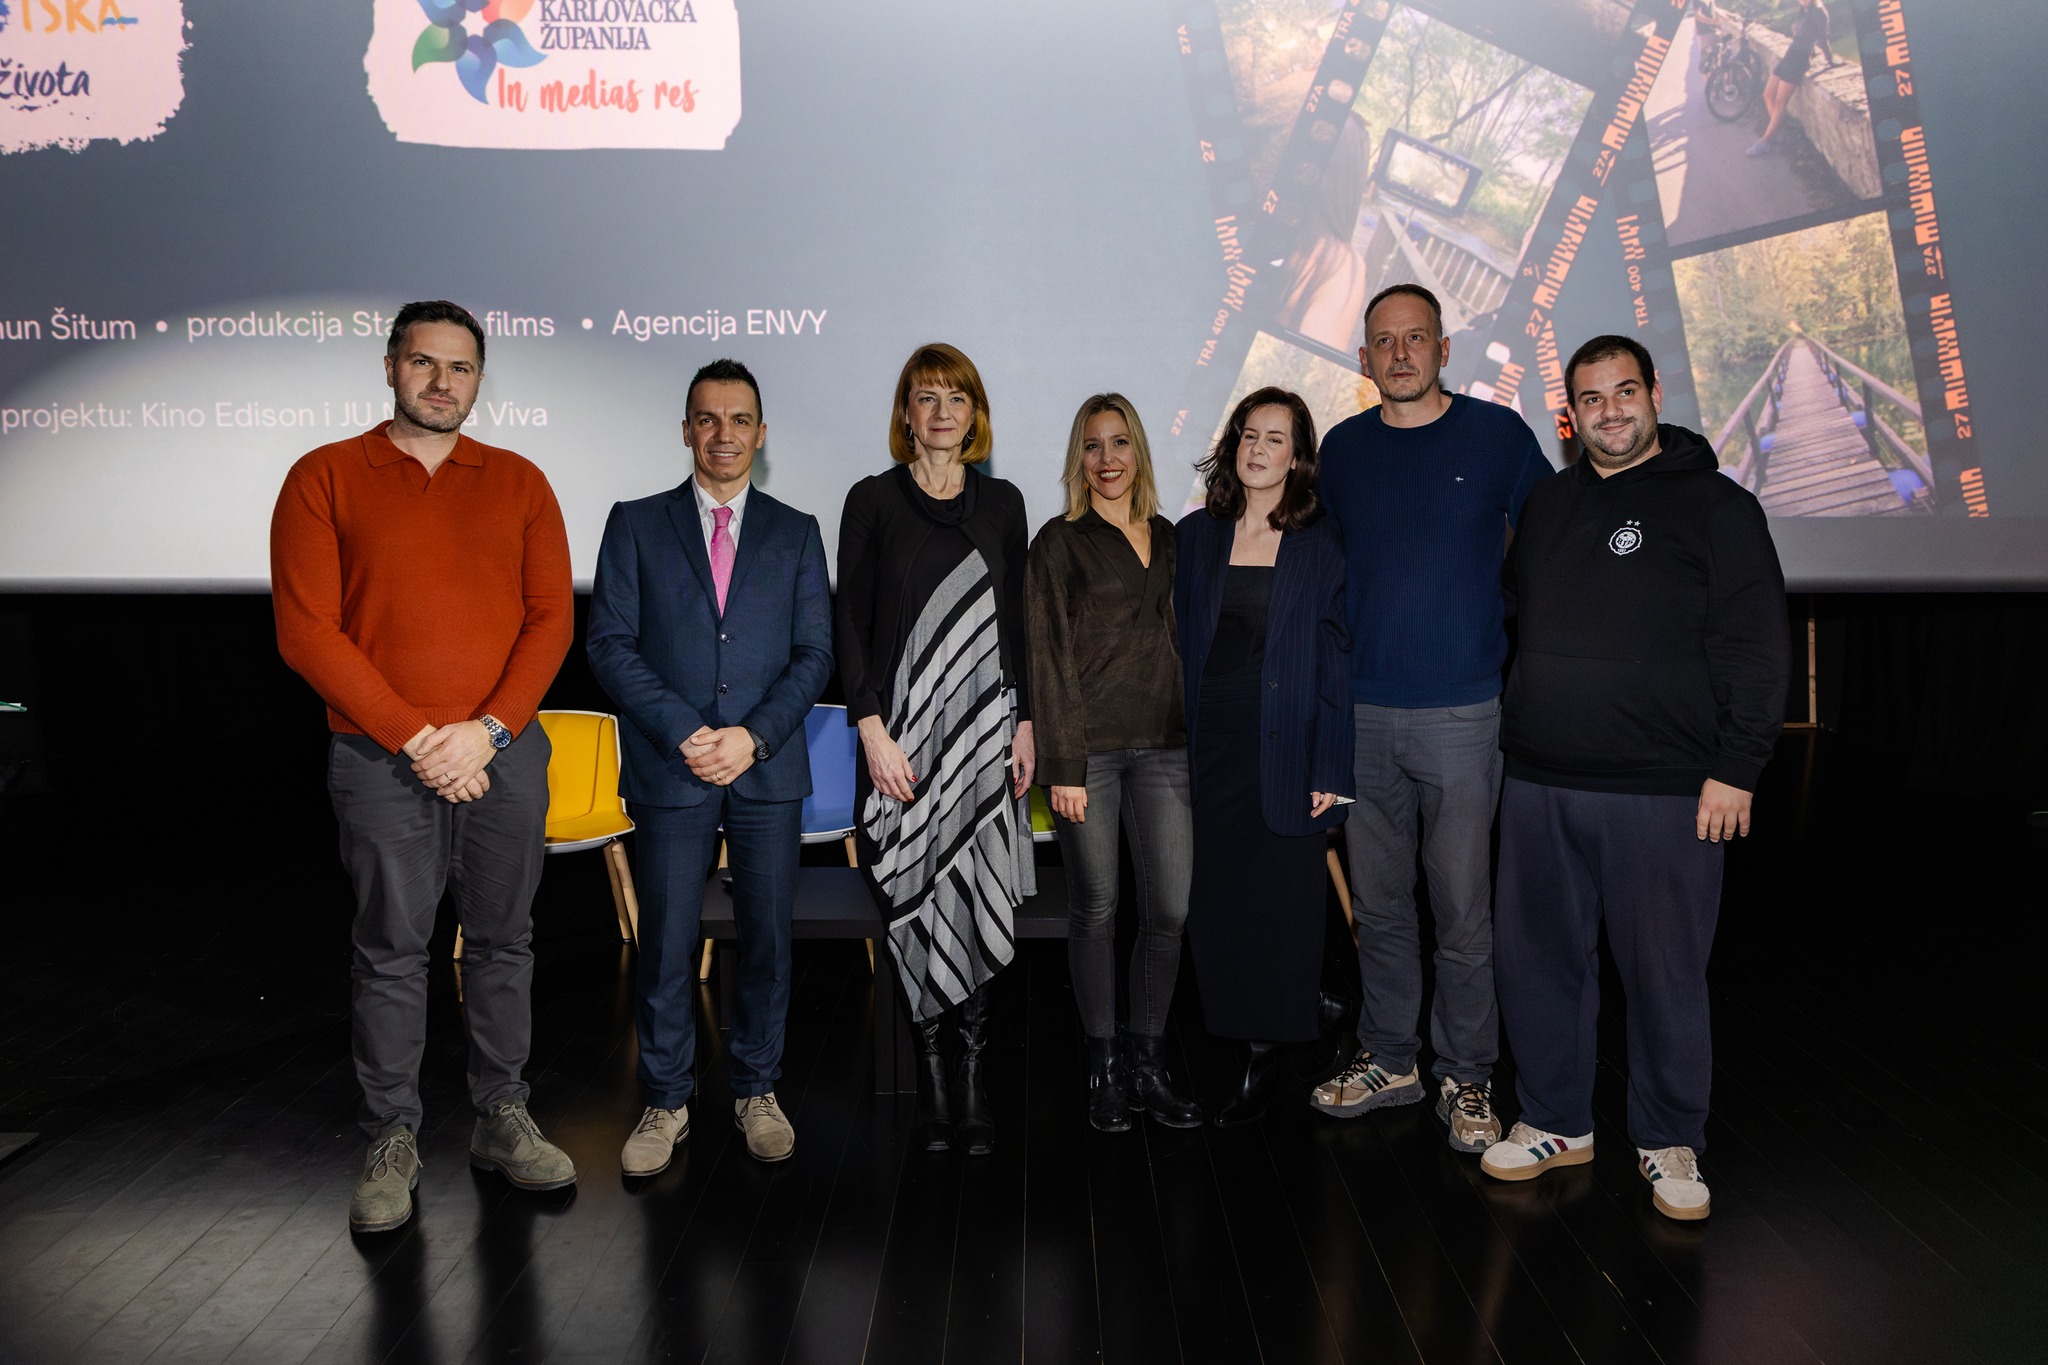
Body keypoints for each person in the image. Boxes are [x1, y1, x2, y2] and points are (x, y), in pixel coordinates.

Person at [271, 300, 575, 1233]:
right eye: (424, 363)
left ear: (480, 378)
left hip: (503, 757)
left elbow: (550, 621)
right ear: (390, 367)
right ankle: (391, 1137)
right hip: (379, 758)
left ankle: (502, 1116)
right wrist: (419, 737)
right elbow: (306, 631)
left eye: (461, 367)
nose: (443, 382)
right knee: (391, 951)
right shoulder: (323, 475)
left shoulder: (521, 481)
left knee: (504, 942)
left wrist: (486, 733)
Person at [1480, 334, 1787, 1222]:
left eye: (1624, 392)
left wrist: (1738, 767)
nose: (1610, 411)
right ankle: (1554, 1119)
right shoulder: (1546, 504)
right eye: (1591, 398)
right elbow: (1516, 613)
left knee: (1664, 973)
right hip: (1540, 779)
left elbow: (1757, 644)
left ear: (1654, 393)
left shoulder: (1719, 507)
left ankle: (1669, 1137)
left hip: (1665, 788)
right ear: (1568, 415)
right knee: (1538, 962)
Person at [1310, 282, 1552, 1153]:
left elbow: (1552, 542)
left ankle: (1467, 1074)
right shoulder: (1341, 450)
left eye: (1417, 338)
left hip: (1463, 712)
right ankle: (1390, 1057)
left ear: (1444, 349)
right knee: (1379, 908)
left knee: (1462, 911)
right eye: (1385, 341)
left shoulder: (1499, 437)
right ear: (1364, 358)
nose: (1401, 353)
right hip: (1364, 713)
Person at [586, 359, 833, 1174]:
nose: (723, 433)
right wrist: (687, 730)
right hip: (672, 765)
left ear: (761, 435)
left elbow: (814, 653)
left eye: (739, 419)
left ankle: (758, 1088)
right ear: (686, 429)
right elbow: (609, 644)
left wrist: (751, 738)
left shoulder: (797, 531)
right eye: (707, 418)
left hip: (766, 769)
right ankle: (665, 1100)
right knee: (664, 941)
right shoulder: (634, 523)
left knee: (766, 939)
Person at [835, 343, 1035, 1156]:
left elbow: (1018, 622)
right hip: (902, 742)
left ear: (975, 413)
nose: (943, 411)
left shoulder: (1005, 503)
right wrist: (870, 726)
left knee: (977, 894)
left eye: (957, 397)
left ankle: (974, 1082)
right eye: (927, 396)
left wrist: (1025, 720)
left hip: (985, 738)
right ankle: (933, 1086)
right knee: (915, 901)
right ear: (906, 414)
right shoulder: (872, 500)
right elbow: (850, 621)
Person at [1176, 386, 1353, 1127]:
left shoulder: (1321, 543)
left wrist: (1332, 768)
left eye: (1276, 438)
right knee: (1219, 903)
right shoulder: (1195, 534)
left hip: (1286, 747)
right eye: (1249, 434)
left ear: (1297, 457)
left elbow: (1336, 657)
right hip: (1208, 748)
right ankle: (1259, 1026)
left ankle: (1267, 1050)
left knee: (1281, 906)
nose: (1258, 449)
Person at [1026, 394, 1202, 1133]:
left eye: (1120, 442)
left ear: (1139, 452)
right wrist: (1063, 766)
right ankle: (1102, 1067)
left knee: (1169, 910)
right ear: (1079, 458)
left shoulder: (1172, 538)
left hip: (1167, 747)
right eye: (1093, 446)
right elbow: (1046, 658)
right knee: (1096, 908)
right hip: (1089, 755)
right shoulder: (1058, 542)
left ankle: (1147, 1060)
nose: (1107, 459)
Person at [1749, 0, 1833, 157]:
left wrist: (1830, 60)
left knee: (1780, 101)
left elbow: (1822, 39)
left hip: (1799, 59)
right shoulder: (1803, 10)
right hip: (1790, 55)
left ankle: (1765, 141)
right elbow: (1801, 33)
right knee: (1767, 94)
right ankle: (1778, 130)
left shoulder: (1819, 12)